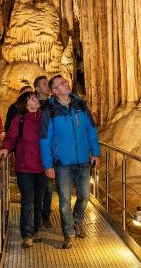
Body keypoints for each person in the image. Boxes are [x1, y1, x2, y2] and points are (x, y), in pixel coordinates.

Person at [40, 75, 100, 249]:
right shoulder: (50, 110)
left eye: (65, 81)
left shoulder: (81, 105)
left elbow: (91, 130)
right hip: (62, 163)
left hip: (83, 161)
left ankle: (77, 221)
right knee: (65, 201)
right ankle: (69, 233)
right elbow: (45, 140)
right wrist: (48, 164)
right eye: (61, 84)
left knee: (84, 196)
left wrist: (95, 152)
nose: (66, 84)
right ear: (55, 91)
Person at [0, 91, 47, 249]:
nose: (36, 99)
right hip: (25, 167)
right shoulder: (19, 120)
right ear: (26, 104)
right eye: (32, 98)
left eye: (35, 97)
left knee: (39, 199)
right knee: (28, 200)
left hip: (42, 166)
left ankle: (36, 227)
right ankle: (27, 234)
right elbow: (11, 137)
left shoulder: (45, 118)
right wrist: (5, 148)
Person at [34, 75, 55, 227]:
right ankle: (36, 215)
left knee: (48, 185)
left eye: (48, 84)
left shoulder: (54, 103)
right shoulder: (31, 103)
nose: (47, 86)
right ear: (37, 88)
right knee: (36, 185)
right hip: (35, 150)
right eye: (44, 84)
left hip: (50, 150)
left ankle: (45, 215)